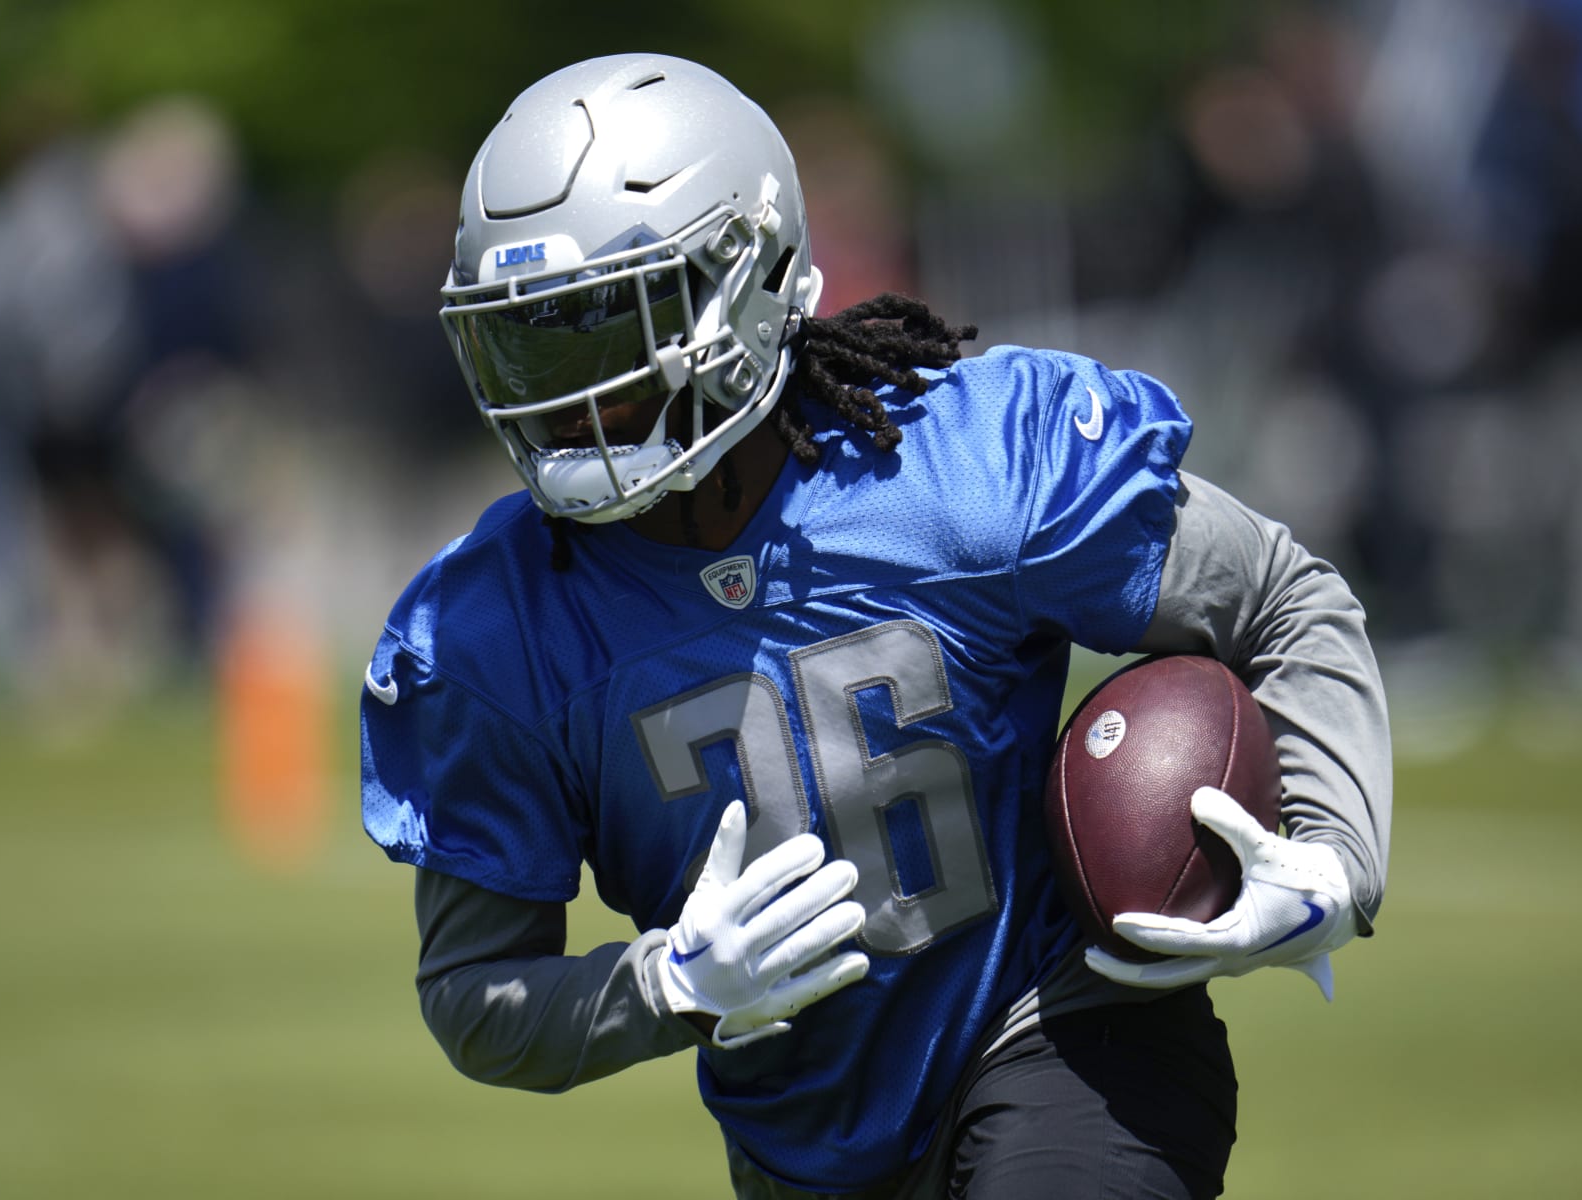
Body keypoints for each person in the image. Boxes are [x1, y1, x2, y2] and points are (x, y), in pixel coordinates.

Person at [360, 53, 1390, 1200]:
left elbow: (1282, 600)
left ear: (747, 282)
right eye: (532, 341)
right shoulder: (493, 623)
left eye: (610, 329)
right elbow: (475, 994)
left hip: (1067, 1030)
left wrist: (1334, 860)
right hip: (802, 1147)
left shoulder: (957, 467)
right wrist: (666, 988)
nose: (568, 398)